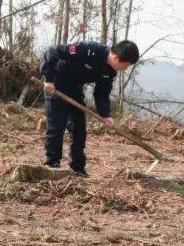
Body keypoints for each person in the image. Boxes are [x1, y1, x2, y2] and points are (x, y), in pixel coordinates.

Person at [40, 39, 139, 176]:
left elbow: (102, 93)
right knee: (57, 125)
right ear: (116, 58)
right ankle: (52, 163)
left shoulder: (110, 71)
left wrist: (105, 114)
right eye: (126, 65)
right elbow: (52, 51)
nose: (125, 69)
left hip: (75, 88)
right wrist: (49, 78)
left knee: (79, 128)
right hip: (56, 84)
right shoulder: (89, 49)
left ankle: (78, 167)